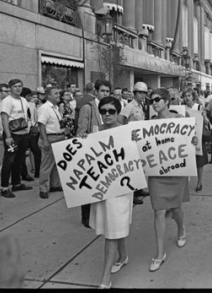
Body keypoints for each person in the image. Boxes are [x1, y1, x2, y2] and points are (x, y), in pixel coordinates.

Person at [77, 97, 132, 288]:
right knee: (113, 226)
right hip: (101, 188)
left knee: (112, 230)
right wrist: (82, 143)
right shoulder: (95, 132)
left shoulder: (126, 132)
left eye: (111, 111)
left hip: (121, 188)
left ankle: (105, 278)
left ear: (118, 112)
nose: (107, 114)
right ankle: (123, 256)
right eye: (103, 111)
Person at [145, 88, 196, 272]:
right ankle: (160, 254)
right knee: (158, 211)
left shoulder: (181, 120)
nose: (154, 103)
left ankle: (181, 228)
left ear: (167, 101)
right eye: (152, 100)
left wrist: (194, 140)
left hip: (176, 171)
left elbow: (193, 140)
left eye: (157, 99)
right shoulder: (149, 123)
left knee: (175, 209)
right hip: (157, 173)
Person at [77, 80, 111, 226]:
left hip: (105, 150)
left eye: (107, 91)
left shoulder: (110, 106)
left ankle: (99, 215)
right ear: (96, 91)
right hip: (90, 150)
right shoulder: (88, 107)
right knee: (88, 184)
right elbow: (80, 131)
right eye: (102, 91)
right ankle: (86, 217)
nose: (105, 94)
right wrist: (84, 138)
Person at [117, 82, 151, 204]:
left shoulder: (140, 106)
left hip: (139, 140)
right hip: (131, 141)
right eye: (140, 93)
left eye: (145, 93)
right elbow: (120, 120)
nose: (143, 95)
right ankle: (132, 194)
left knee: (139, 166)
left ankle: (138, 189)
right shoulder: (129, 106)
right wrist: (126, 133)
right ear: (135, 93)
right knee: (132, 168)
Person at [0, 79, 34, 198]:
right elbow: (4, 119)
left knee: (19, 160)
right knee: (9, 161)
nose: (18, 88)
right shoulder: (7, 101)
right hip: (13, 135)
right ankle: (4, 187)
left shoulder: (23, 100)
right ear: (10, 88)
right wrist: (8, 136)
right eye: (15, 86)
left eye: (20, 86)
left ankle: (16, 183)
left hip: (23, 133)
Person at [37, 87, 66, 199]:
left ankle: (55, 185)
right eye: (56, 93)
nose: (59, 95)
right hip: (50, 138)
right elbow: (41, 125)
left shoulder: (55, 107)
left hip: (59, 137)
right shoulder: (45, 108)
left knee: (56, 164)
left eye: (59, 93)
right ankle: (43, 188)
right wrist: (45, 141)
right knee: (46, 164)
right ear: (48, 95)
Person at [182, 88, 209, 192]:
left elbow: (206, 123)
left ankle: (199, 182)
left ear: (193, 96)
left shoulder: (199, 107)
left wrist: (204, 116)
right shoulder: (182, 108)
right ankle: (186, 182)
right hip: (186, 138)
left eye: (189, 95)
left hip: (198, 137)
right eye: (185, 96)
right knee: (186, 160)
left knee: (199, 162)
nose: (187, 97)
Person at [18, 88, 36, 182]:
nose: (30, 98)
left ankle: (31, 170)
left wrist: (33, 125)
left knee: (33, 149)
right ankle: (22, 174)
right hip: (21, 130)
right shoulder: (19, 104)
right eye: (28, 96)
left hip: (30, 129)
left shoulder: (31, 105)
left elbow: (32, 117)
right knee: (21, 155)